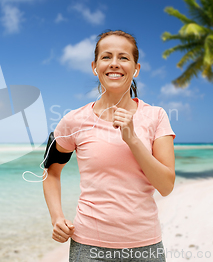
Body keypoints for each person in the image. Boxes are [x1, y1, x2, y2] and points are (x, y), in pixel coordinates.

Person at [42, 30, 176, 262]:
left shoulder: (156, 116)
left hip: (146, 246)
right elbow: (50, 171)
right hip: (88, 247)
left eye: (123, 58)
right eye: (106, 57)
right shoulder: (73, 120)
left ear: (136, 68)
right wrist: (57, 217)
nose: (114, 64)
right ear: (95, 67)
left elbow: (166, 186)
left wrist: (132, 139)